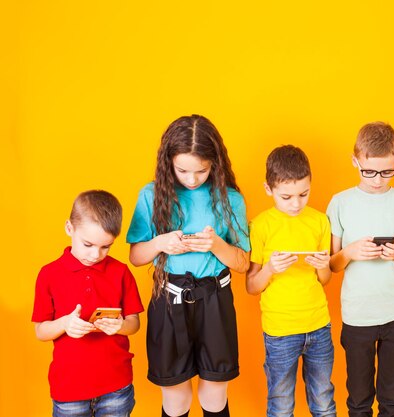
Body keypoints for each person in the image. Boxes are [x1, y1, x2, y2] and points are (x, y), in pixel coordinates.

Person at [127, 115, 250, 417]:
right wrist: (160, 243)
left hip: (215, 299)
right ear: (168, 161)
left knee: (214, 393)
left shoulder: (230, 198)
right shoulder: (151, 194)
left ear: (215, 164)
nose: (192, 179)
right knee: (176, 397)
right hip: (168, 300)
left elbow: (244, 263)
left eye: (202, 171)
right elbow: (136, 256)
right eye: (182, 170)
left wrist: (217, 246)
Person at [326, 122, 394, 417]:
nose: (378, 180)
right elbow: (332, 265)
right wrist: (350, 251)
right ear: (355, 161)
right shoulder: (340, 203)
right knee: (358, 400)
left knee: (392, 399)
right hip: (357, 316)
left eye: (387, 172)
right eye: (368, 171)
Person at [32, 190, 144, 417]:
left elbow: (134, 323)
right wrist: (64, 323)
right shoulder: (48, 274)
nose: (96, 254)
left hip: (117, 386)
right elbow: (41, 331)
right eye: (88, 244)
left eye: (106, 247)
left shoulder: (120, 272)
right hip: (69, 388)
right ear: (69, 229)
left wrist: (120, 326)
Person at [246, 145, 337, 417]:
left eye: (303, 194)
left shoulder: (320, 221)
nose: (296, 204)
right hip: (280, 330)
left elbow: (326, 280)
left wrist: (323, 266)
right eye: (286, 197)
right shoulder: (261, 225)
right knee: (281, 403)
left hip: (319, 326)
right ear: (268, 189)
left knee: (323, 401)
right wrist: (270, 268)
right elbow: (251, 286)